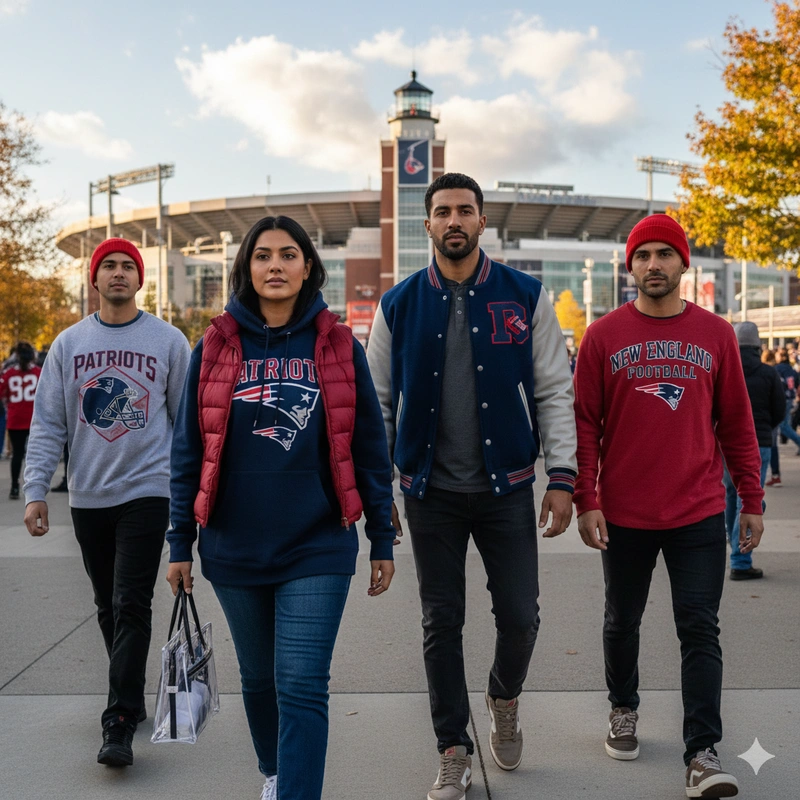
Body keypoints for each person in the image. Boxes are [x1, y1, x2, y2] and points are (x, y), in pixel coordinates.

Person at [167, 216, 397, 800]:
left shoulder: (339, 344)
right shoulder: (215, 344)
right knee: (260, 680)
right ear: (246, 267)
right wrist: (179, 545)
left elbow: (367, 442)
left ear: (308, 267)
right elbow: (188, 449)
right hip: (233, 543)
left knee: (300, 682)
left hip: (317, 541)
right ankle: (276, 773)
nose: (275, 265)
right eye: (263, 255)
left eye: (288, 254)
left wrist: (380, 535)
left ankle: (296, 791)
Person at [367, 172, 577, 800]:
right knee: (441, 620)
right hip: (428, 493)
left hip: (506, 488)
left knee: (520, 617)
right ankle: (452, 748)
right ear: (426, 224)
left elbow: (552, 393)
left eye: (465, 211)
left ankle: (503, 698)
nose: (453, 221)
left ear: (482, 221)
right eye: (442, 212)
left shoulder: (525, 296)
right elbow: (377, 403)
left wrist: (560, 478)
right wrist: (382, 496)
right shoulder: (398, 304)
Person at [574, 214, 764, 799]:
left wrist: (750, 498)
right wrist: (588, 497)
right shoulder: (602, 336)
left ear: (684, 264)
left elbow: (736, 423)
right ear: (629, 267)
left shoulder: (715, 335)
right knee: (620, 621)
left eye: (664, 254)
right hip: (625, 512)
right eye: (642, 255)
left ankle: (702, 752)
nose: (653, 264)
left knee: (700, 628)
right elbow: (584, 424)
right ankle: (623, 708)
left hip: (700, 511)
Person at [23, 238, 191, 767]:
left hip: (149, 489)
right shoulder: (68, 345)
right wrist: (35, 490)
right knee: (106, 605)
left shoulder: (168, 341)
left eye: (127, 266)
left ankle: (118, 719)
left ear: (140, 279)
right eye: (109, 266)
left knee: (130, 602)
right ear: (94, 279)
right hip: (89, 495)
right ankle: (132, 691)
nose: (118, 273)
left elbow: (187, 425)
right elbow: (48, 423)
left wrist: (191, 499)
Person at [721, 322, 784, 580]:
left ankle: (733, 541)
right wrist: (766, 428)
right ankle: (740, 559)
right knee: (750, 498)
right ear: (758, 346)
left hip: (726, 443)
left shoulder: (726, 370)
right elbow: (779, 410)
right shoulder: (768, 374)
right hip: (759, 441)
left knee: (731, 495)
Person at [0, 342, 41, 498]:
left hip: (15, 418)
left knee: (17, 454)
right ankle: (35, 487)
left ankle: (14, 487)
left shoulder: (9, 373)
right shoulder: (38, 372)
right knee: (35, 455)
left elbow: (2, 393)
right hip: (34, 418)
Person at [775, 347, 800, 454]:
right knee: (785, 425)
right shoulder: (791, 369)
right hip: (790, 398)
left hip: (782, 399)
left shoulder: (777, 369)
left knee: (784, 426)